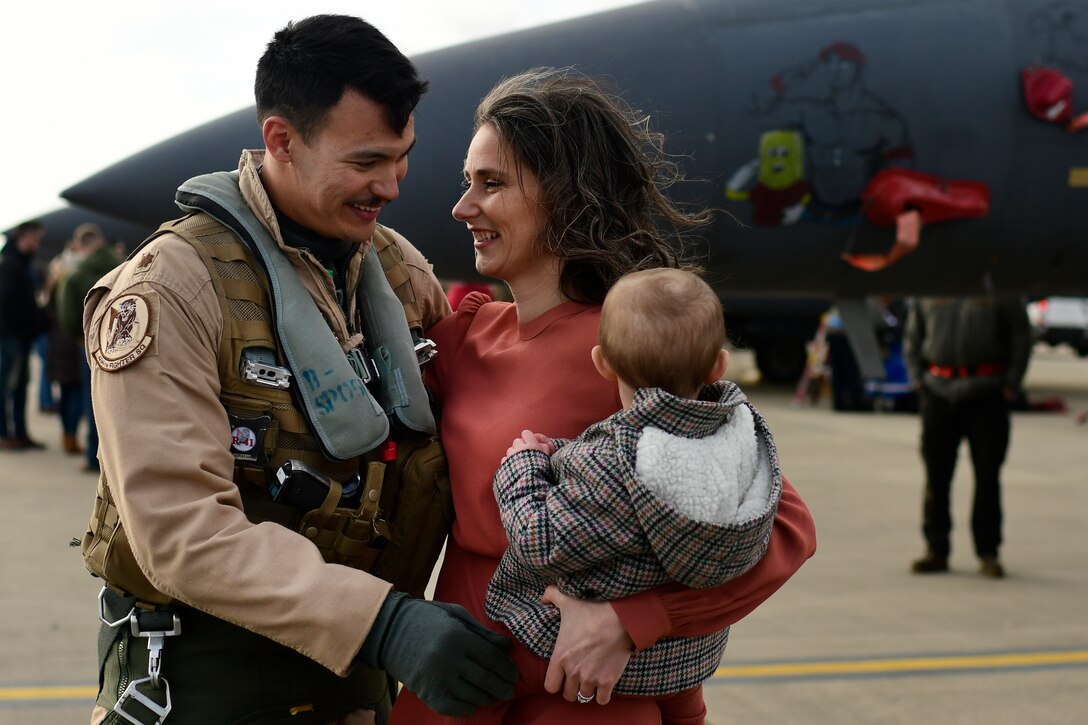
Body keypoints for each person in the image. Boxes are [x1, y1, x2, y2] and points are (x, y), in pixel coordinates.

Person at [80, 16, 516, 725]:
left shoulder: (399, 273)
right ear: (281, 139)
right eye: (366, 161)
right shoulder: (171, 288)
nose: (392, 185)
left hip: (360, 690)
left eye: (402, 157)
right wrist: (387, 625)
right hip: (209, 692)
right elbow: (180, 531)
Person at [390, 68, 817, 724]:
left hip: (583, 698)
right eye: (466, 182)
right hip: (455, 687)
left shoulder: (634, 359)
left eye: (493, 184)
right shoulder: (466, 335)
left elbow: (783, 527)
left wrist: (634, 619)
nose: (463, 207)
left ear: (562, 194)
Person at [488, 267, 782, 721]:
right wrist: (568, 453)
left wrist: (523, 464)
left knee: (471, 679)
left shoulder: (617, 462)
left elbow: (540, 540)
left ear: (601, 361)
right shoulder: (739, 436)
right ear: (718, 366)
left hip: (584, 654)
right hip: (688, 659)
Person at [904, 296, 1032, 578]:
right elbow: (913, 337)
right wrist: (919, 380)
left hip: (987, 395)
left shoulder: (997, 284)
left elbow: (1021, 335)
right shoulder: (931, 287)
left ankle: (988, 552)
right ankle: (936, 549)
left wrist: (1012, 383)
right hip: (938, 392)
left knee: (988, 476)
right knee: (936, 476)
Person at [55, 223, 122, 472]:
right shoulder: (122, 265)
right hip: (121, 342)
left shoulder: (76, 273)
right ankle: (114, 458)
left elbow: (68, 313)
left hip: (89, 345)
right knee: (118, 401)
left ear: (80, 245)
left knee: (93, 399)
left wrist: (80, 338)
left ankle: (95, 456)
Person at [0, 220, 48, 450]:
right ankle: (4, 433)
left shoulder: (22, 263)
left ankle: (19, 432)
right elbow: (8, 302)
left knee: (20, 386)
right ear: (25, 237)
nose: (38, 243)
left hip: (22, 335)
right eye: (36, 238)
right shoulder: (10, 264)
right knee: (7, 385)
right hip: (11, 335)